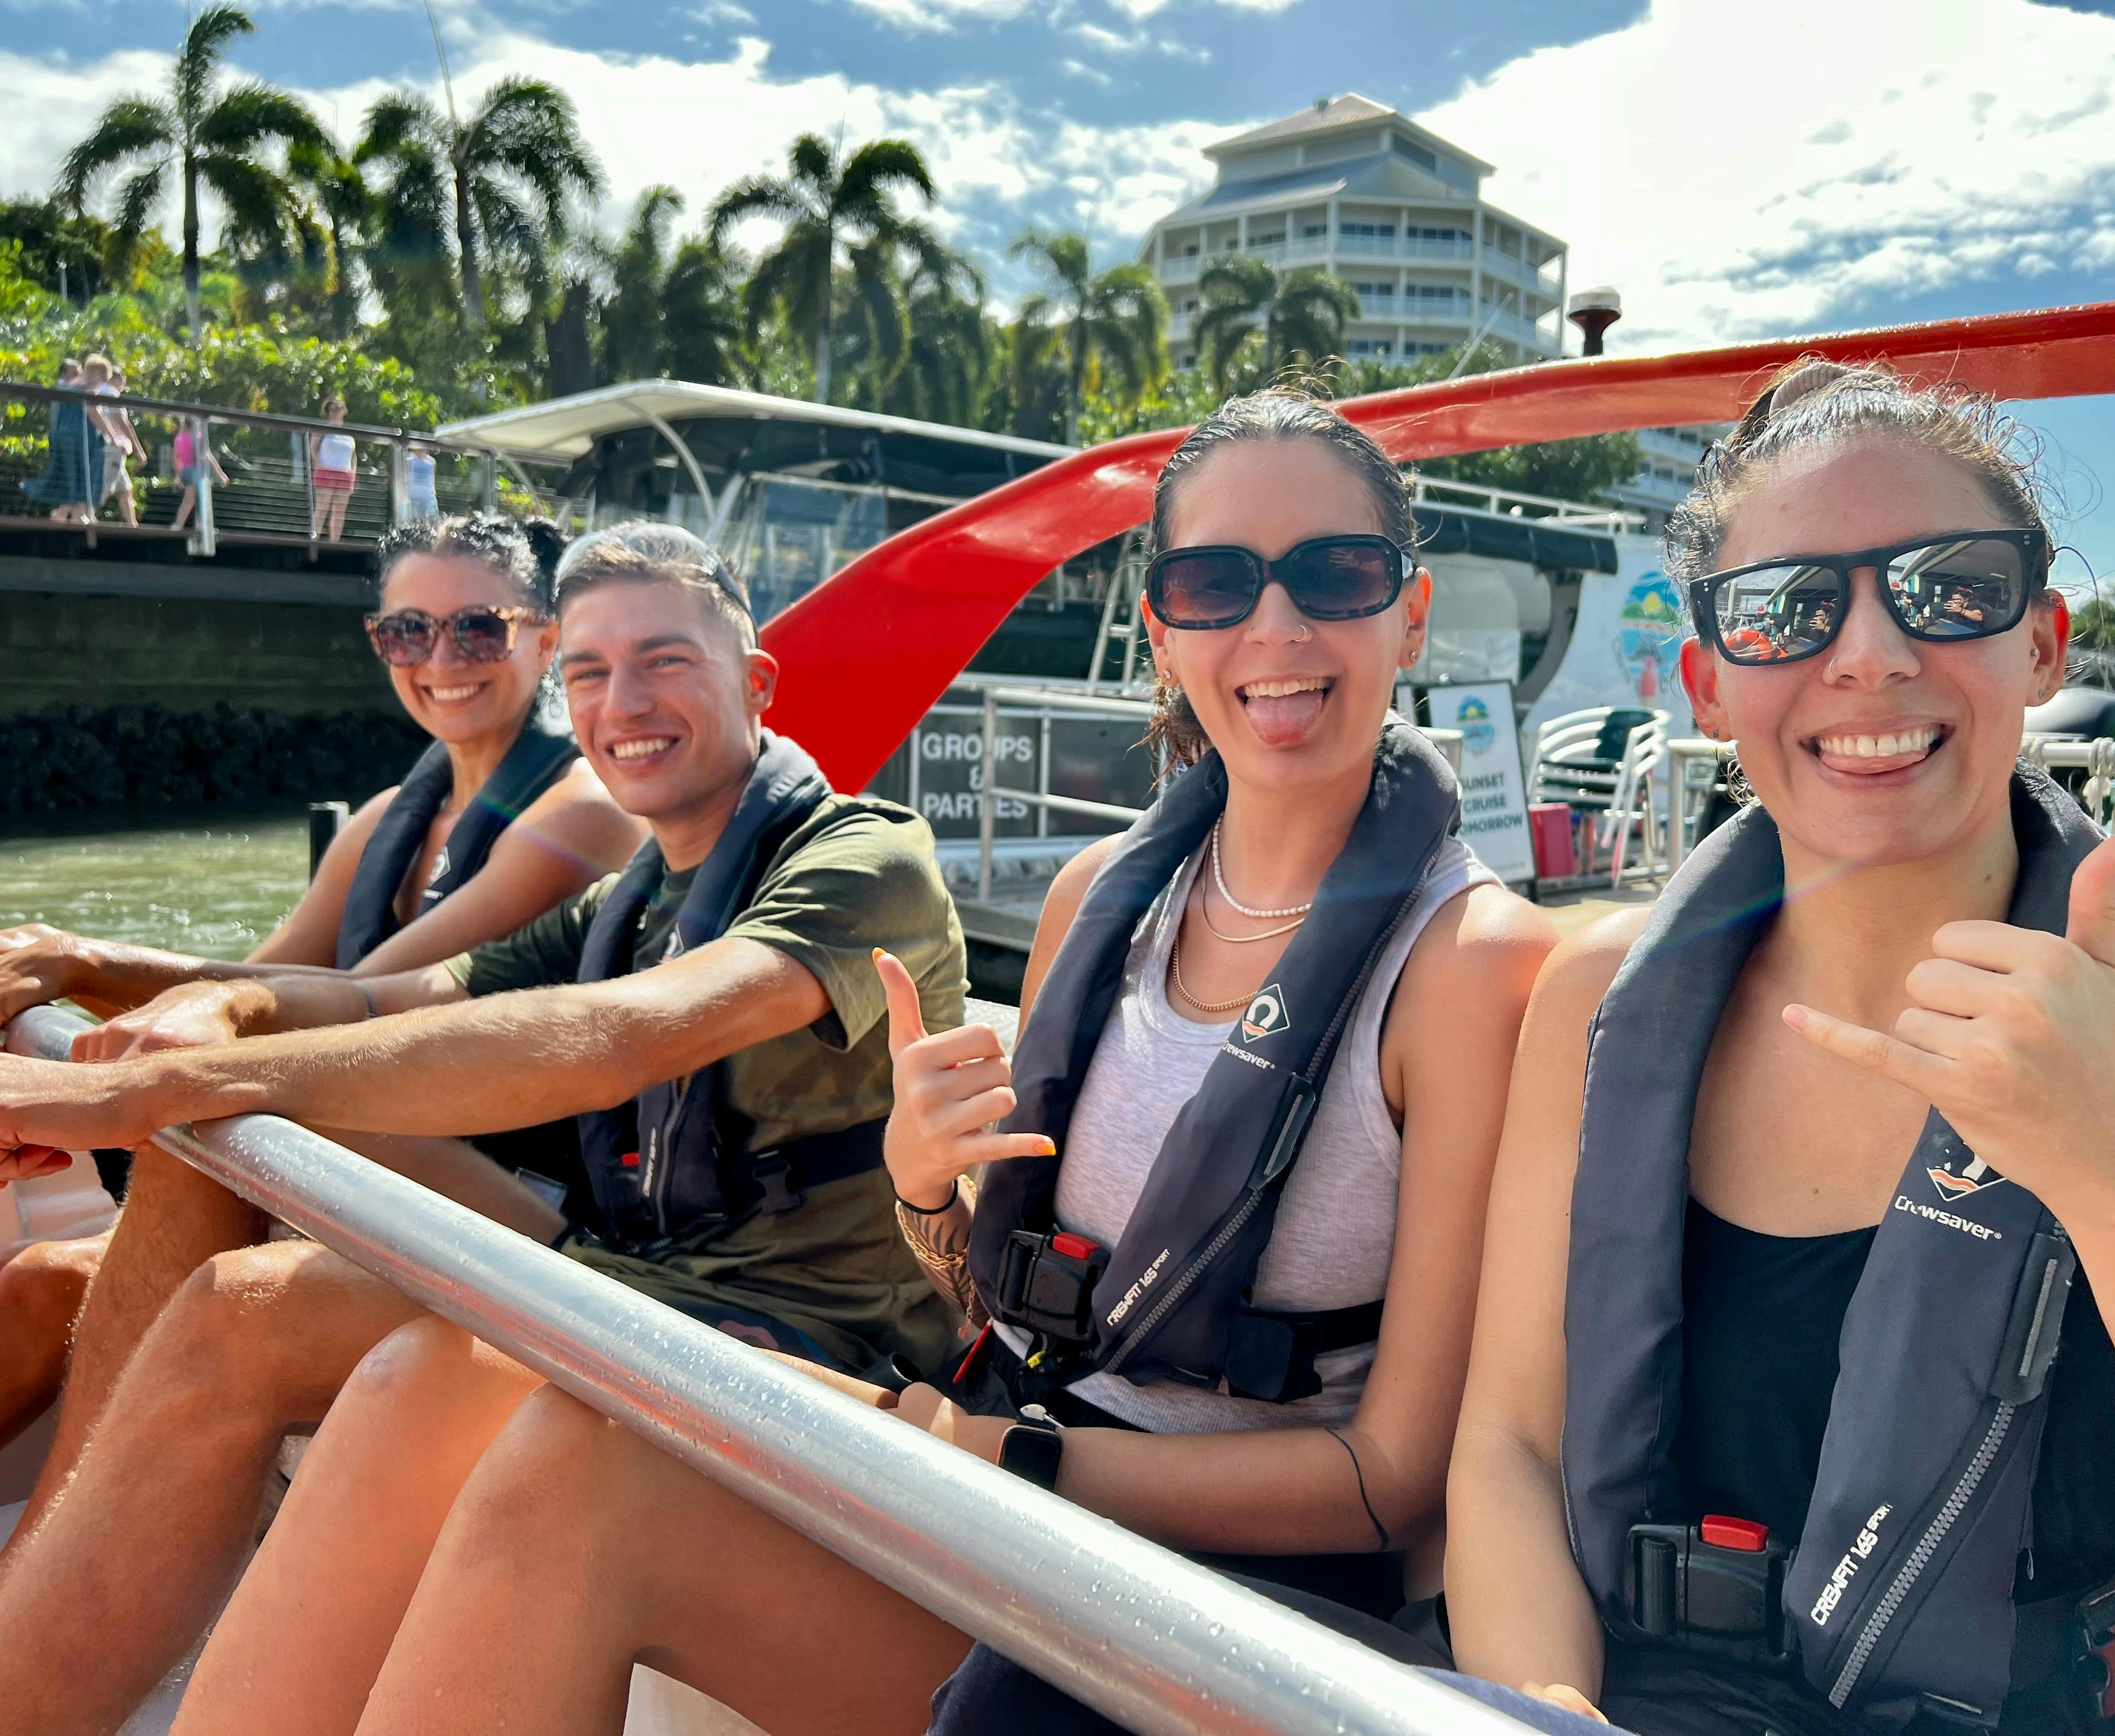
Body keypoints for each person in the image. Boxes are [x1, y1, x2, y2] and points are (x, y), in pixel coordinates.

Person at [152, 389, 1560, 1736]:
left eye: (1336, 572)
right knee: (528, 1433)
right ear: (1160, 626)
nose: (1276, 624)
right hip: (1006, 1497)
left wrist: (990, 1454)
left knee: (578, 1467)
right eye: (1216, 585)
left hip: (1225, 1612)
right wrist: (927, 1196)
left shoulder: (1473, 968)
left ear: (1411, 608)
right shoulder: (1091, 907)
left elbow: (1388, 1483)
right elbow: (1007, 1308)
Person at [1440, 361, 2115, 1734]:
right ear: (1710, 684)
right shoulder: (1599, 999)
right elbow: (1509, 1447)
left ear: (2042, 642)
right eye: (1787, 610)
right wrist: (1549, 1713)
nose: (1869, 655)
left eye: (1949, 586)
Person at [0, 520, 967, 1734]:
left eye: (666, 661)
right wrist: (220, 1002)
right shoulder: (635, 896)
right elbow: (380, 996)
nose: (626, 703)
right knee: (233, 1302)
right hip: (633, 1290)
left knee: (256, 1263)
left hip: (818, 1349)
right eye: (594, 674)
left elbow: (629, 1035)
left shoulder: (866, 855)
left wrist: (127, 1093)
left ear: (755, 680)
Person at [0, 514, 638, 1486]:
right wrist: (65, 983)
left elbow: (344, 1000)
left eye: (477, 627)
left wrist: (78, 959)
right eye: (406, 632)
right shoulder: (388, 816)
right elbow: (250, 979)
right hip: (338, 1170)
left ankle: (43, 1572)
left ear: (544, 638)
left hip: (487, 1198)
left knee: (64, 1278)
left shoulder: (581, 815)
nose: (441, 658)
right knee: (40, 1286)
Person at [20, 359, 99, 524]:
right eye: (75, 371)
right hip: (65, 439)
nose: (79, 373)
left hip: (66, 438)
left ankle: (71, 514)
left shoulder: (70, 387)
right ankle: (66, 514)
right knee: (70, 476)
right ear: (65, 372)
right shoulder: (64, 388)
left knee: (73, 476)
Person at [84, 355, 144, 525]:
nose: (123, 388)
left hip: (106, 447)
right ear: (116, 380)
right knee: (106, 486)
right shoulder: (110, 393)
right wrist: (139, 450)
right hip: (113, 449)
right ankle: (86, 515)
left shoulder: (96, 391)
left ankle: (132, 524)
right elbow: (122, 422)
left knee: (125, 489)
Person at [168, 415, 230, 530]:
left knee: (192, 499)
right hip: (196, 472)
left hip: (185, 471)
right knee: (201, 499)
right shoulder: (198, 438)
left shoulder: (179, 438)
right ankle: (195, 526)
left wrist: (178, 475)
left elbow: (176, 458)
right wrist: (221, 474)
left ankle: (188, 525)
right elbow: (208, 456)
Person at [310, 395, 356, 541]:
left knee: (339, 511)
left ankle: (335, 541)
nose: (336, 412)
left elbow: (354, 455)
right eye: (333, 409)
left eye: (339, 409)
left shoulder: (349, 434)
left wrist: (353, 472)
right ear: (328, 412)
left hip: (345, 473)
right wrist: (319, 464)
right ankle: (315, 538)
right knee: (323, 507)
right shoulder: (323, 430)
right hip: (326, 471)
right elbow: (313, 448)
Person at [404, 440, 440, 522]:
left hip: (428, 496)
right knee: (414, 520)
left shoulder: (431, 462)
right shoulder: (409, 460)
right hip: (414, 496)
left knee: (431, 521)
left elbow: (433, 478)